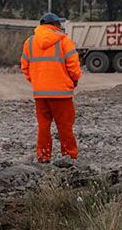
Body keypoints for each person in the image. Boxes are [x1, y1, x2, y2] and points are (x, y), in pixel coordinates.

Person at [20, 12, 82, 162]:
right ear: (55, 25)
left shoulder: (29, 42)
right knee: (65, 127)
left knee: (43, 127)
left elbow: (25, 68)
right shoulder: (64, 41)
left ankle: (43, 157)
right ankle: (69, 157)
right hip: (62, 94)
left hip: (40, 94)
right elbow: (73, 66)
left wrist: (38, 82)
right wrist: (74, 80)